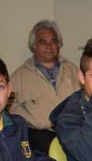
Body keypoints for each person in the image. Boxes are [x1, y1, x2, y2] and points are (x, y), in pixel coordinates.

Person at [9, 20, 81, 153]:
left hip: (73, 133)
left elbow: (84, 98)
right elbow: (11, 108)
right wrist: (34, 121)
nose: (49, 46)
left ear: (59, 45)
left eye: (53, 41)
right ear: (34, 46)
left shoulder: (73, 70)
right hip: (39, 137)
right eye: (43, 42)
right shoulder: (18, 77)